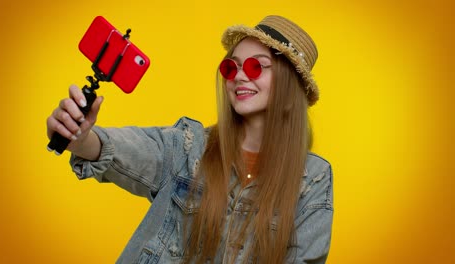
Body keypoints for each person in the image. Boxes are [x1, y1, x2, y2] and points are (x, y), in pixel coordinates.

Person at [46, 15, 333, 264]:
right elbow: (121, 149)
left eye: (257, 67)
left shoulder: (314, 181)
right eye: (231, 68)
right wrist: (80, 137)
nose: (240, 77)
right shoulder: (187, 145)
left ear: (289, 85)